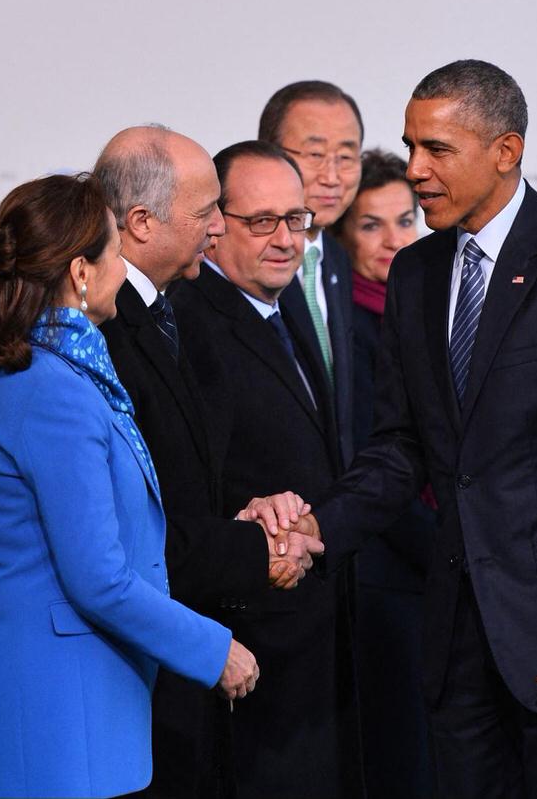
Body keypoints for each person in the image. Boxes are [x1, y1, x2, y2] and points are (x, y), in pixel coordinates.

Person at [305, 61, 537, 799]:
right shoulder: (414, 273)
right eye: (411, 146)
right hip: (455, 646)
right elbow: (400, 448)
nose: (415, 170)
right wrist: (314, 530)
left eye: (437, 150)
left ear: (506, 151)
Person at [0, 174, 259, 799]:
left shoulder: (39, 372)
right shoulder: (53, 390)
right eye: (115, 252)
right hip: (54, 704)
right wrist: (213, 649)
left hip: (52, 694)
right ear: (82, 272)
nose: (123, 267)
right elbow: (98, 578)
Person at [92, 127, 322, 799]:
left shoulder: (164, 313)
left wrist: (248, 514)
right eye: (206, 213)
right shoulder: (102, 331)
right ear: (140, 222)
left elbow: (183, 488)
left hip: (182, 649)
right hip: (141, 658)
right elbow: (129, 531)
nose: (219, 227)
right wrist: (256, 545)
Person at [170, 141, 364, 799]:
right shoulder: (187, 326)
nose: (286, 240)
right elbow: (183, 486)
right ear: (215, 225)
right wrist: (258, 524)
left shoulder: (291, 312)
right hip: (246, 639)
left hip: (313, 635)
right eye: (262, 222)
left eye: (297, 219)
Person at [331, 149, 435, 798]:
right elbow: (374, 461)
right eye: (372, 225)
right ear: (343, 235)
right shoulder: (342, 329)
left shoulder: (434, 311)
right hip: (386, 576)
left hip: (436, 575)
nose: (395, 239)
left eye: (407, 219)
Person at [258, 81, 364, 465]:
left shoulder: (336, 258)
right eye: (315, 154)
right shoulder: (239, 260)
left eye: (347, 157)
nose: (332, 176)